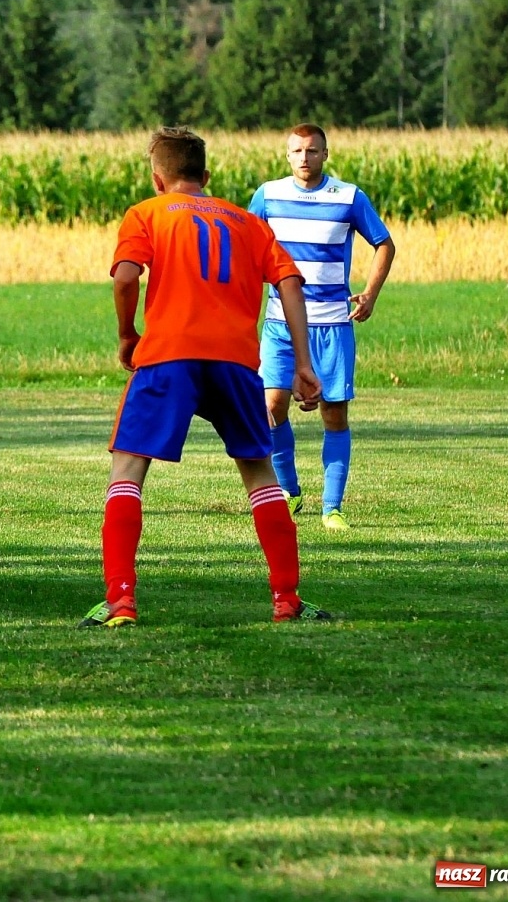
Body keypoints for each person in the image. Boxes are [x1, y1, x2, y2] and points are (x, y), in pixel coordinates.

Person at [80, 126, 332, 629]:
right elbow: (288, 282)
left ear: (158, 179)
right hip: (236, 362)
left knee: (128, 472)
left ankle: (121, 603)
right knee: (260, 474)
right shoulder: (246, 221)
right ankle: (287, 600)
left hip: (168, 355)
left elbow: (127, 276)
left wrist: (128, 334)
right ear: (206, 176)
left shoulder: (146, 214)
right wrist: (303, 364)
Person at [249, 123, 397, 530]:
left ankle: (332, 508)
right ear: (287, 155)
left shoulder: (348, 197)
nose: (304, 158)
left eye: (312, 151)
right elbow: (245, 245)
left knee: (333, 414)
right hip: (280, 323)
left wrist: (370, 292)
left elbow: (384, 243)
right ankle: (288, 491)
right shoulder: (268, 195)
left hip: (332, 325)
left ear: (325, 154)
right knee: (271, 406)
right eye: (296, 151)